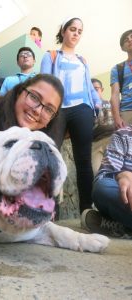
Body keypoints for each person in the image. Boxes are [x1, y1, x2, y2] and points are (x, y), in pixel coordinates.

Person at [40, 17, 101, 215]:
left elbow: (90, 87)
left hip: (82, 109)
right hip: (57, 110)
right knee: (50, 157)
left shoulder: (83, 61)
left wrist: (98, 103)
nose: (76, 33)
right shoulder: (50, 56)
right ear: (64, 31)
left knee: (83, 161)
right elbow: (44, 83)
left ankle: (86, 211)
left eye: (79, 31)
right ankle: (49, 210)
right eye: (72, 29)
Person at [81, 125, 132, 238]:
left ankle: (123, 227)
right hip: (125, 199)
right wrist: (122, 175)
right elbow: (103, 176)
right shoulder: (123, 135)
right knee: (103, 188)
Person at [91, 78, 115, 175]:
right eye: (91, 90)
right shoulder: (86, 108)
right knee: (96, 174)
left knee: (117, 173)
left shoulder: (111, 104)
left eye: (96, 89)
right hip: (95, 143)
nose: (94, 93)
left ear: (102, 89)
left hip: (112, 140)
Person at [110, 29, 132, 129]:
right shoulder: (117, 69)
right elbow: (114, 94)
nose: (130, 40)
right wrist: (116, 117)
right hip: (127, 112)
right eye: (126, 40)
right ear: (123, 47)